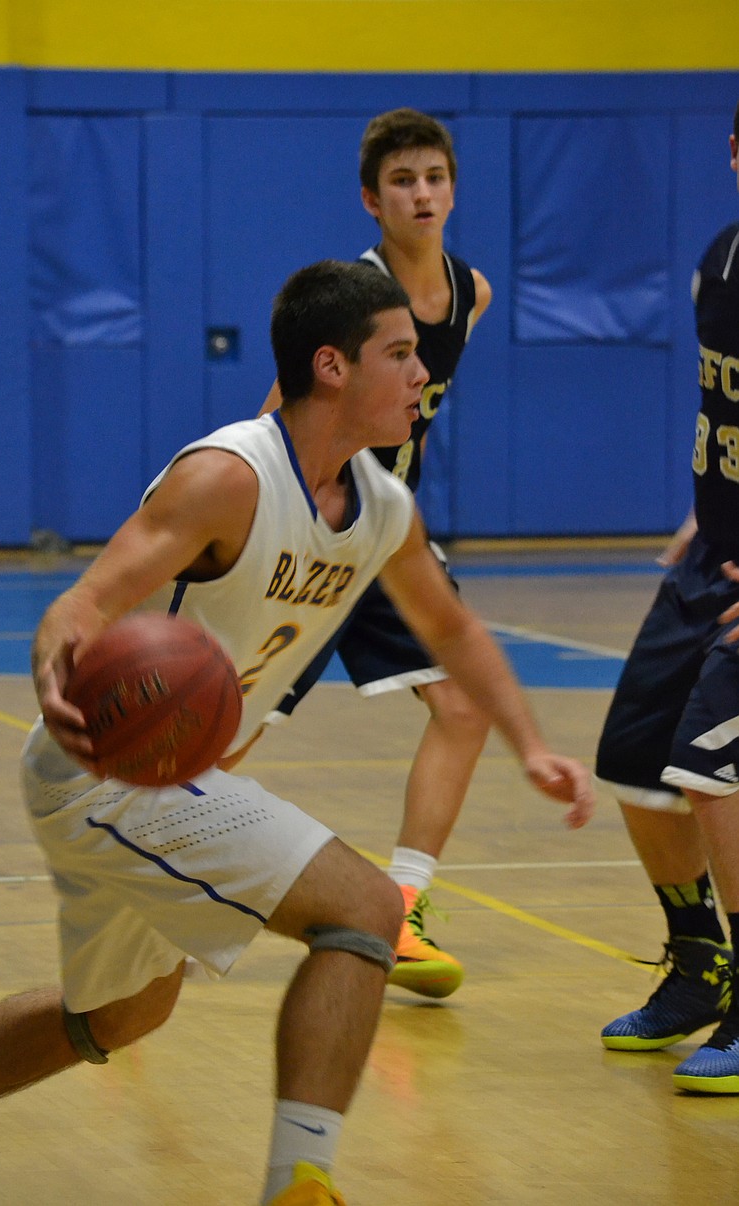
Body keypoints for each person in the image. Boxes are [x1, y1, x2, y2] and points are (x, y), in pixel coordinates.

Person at [0, 261, 593, 1205]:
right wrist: (58, 662)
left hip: (167, 779)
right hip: (109, 769)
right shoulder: (226, 476)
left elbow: (454, 629)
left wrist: (531, 744)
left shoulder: (381, 506)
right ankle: (298, 1184)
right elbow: (84, 602)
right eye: (401, 354)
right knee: (368, 909)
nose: (423, 374)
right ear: (332, 367)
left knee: (113, 1017)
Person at [253, 109, 493, 1000]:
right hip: (311, 532)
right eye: (403, 181)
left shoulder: (473, 293)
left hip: (386, 536)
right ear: (372, 199)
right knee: (223, 731)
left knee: (464, 705)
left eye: (434, 176)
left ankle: (404, 909)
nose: (421, 193)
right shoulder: (351, 296)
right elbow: (282, 410)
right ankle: (154, 890)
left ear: (453, 188)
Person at [595, 102, 739, 1093]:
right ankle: (698, 965)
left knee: (710, 775)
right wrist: (704, 510)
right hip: (712, 559)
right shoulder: (719, 259)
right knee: (636, 766)